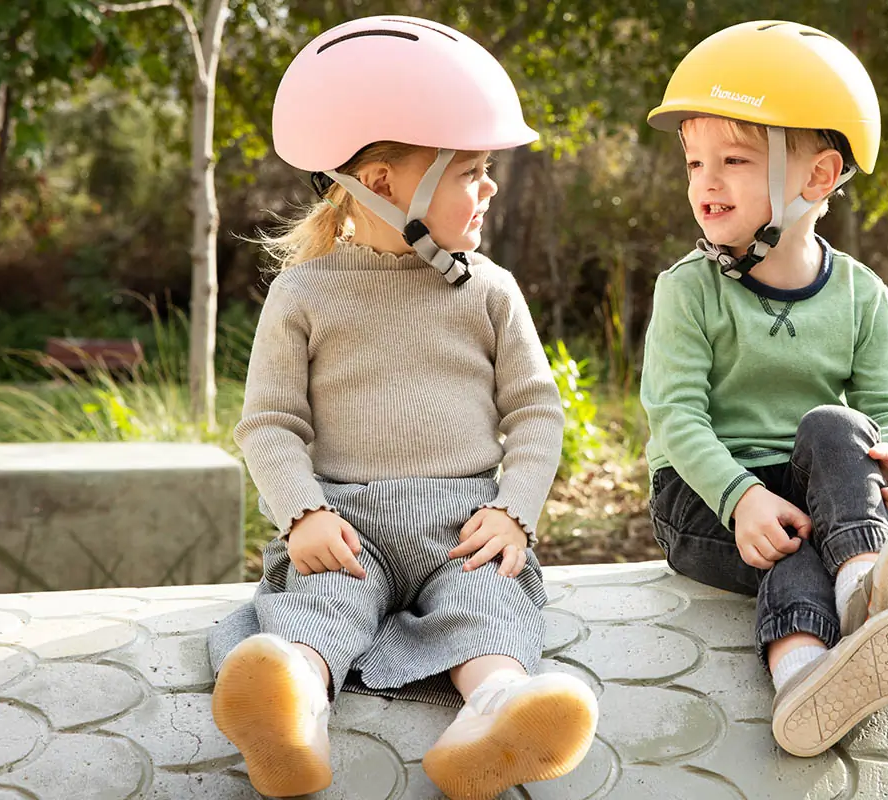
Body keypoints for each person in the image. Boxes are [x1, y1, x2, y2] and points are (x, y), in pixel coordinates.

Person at [205, 16, 597, 799]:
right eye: (470, 172)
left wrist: (514, 511)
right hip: (344, 523)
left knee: (486, 604)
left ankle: (496, 712)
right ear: (382, 182)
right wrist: (302, 513)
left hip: (464, 526)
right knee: (323, 602)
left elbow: (536, 414)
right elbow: (271, 422)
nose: (489, 188)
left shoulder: (489, 290)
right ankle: (292, 706)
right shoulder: (305, 294)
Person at [640, 20, 888, 757]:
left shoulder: (860, 293)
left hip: (812, 494)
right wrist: (742, 497)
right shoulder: (688, 292)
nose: (705, 181)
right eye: (694, 162)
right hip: (704, 495)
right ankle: (806, 671)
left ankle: (858, 599)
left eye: (734, 159)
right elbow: (677, 418)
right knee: (788, 548)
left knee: (833, 425)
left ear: (817, 177)